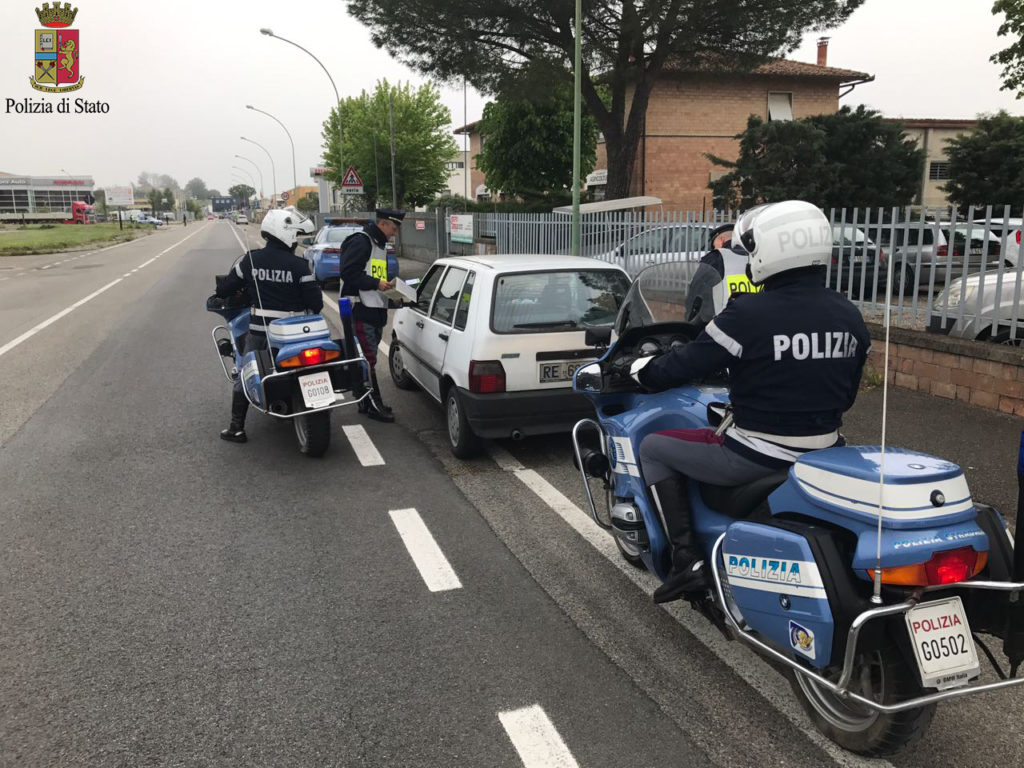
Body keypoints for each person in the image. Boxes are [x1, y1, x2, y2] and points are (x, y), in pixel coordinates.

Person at [632, 201, 871, 603]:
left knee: (654, 447)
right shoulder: (848, 314)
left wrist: (645, 370)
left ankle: (685, 560)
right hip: (826, 450)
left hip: (756, 455)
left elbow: (686, 363)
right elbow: (847, 393)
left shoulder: (748, 313)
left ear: (769, 251)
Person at [216, 206, 322, 443]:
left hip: (261, 333)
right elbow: (316, 303)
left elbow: (225, 288)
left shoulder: (250, 261)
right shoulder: (301, 266)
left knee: (244, 374)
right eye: (296, 236)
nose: (296, 241)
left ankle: (236, 428)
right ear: (286, 234)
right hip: (297, 335)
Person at [339, 208, 405, 423]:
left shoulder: (378, 244)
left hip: (375, 308)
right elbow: (349, 273)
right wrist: (377, 283)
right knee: (367, 359)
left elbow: (374, 275)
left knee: (366, 359)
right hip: (360, 309)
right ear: (383, 224)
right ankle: (373, 404)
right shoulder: (362, 241)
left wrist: (392, 292)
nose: (394, 233)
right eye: (393, 228)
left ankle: (364, 401)